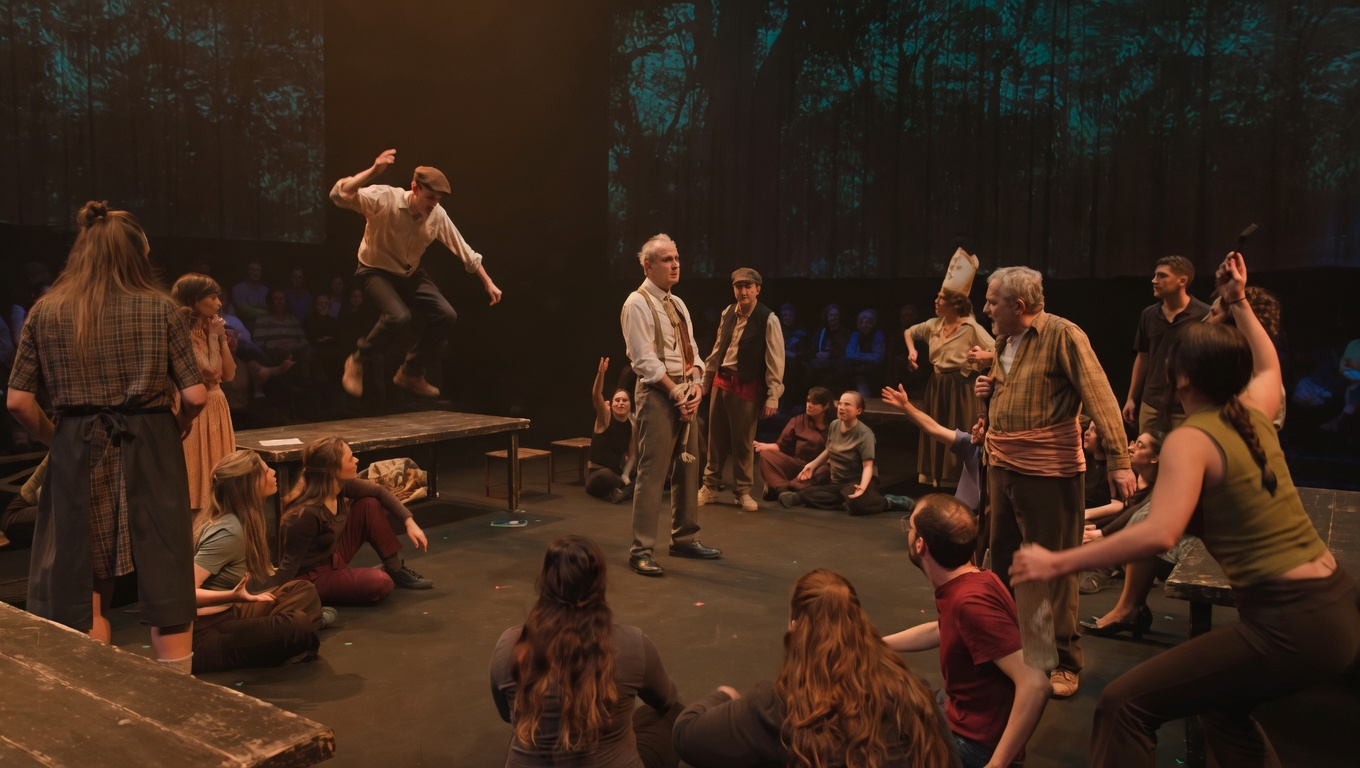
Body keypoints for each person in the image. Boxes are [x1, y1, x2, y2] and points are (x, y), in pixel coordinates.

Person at [1011, 252, 1360, 767]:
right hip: (1333, 602)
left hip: (1289, 622)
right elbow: (1269, 363)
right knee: (1220, 707)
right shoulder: (1254, 411)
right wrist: (1238, 300)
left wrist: (1058, 560)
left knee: (1124, 705)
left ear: (1179, 379)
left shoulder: (1190, 439)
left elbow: (1159, 533)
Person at [7, 200, 206, 673]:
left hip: (78, 447)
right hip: (151, 441)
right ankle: (176, 696)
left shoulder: (45, 312)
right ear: (137, 253)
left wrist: (57, 438)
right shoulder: (161, 308)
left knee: (86, 580)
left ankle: (100, 690)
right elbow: (195, 395)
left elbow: (17, 402)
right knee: (167, 570)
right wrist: (179, 424)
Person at [973, 266, 1134, 699]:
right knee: (1006, 561)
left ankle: (1062, 660)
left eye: (992, 302)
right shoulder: (1004, 341)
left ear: (1017, 305)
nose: (985, 309)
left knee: (1051, 566)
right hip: (1004, 465)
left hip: (1048, 471)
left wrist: (1119, 460)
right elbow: (1018, 394)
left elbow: (1100, 397)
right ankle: (1021, 652)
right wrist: (989, 397)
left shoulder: (1063, 336)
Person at [673, 569, 957, 768]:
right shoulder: (913, 692)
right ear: (860, 627)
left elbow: (685, 735)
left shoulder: (778, 706)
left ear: (795, 628)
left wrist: (723, 696)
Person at [884, 494, 1051, 768]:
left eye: (910, 527)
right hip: (960, 713)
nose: (908, 533)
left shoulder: (970, 603)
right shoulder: (977, 578)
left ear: (920, 545)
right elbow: (943, 629)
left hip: (972, 746)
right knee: (894, 691)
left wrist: (996, 765)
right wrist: (875, 642)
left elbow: (1036, 684)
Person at [490, 535, 682, 768]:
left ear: (546, 580)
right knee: (670, 714)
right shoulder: (631, 643)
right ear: (599, 583)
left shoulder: (510, 645)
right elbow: (667, 699)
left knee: (526, 727)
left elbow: (506, 713)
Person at [331, 148, 503, 399]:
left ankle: (410, 371)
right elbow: (340, 195)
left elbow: (463, 249)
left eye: (438, 200)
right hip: (375, 269)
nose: (434, 204)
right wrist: (374, 170)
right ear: (414, 189)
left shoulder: (437, 214)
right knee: (399, 316)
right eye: (430, 197)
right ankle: (358, 360)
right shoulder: (386, 199)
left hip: (408, 273)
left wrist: (488, 282)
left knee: (446, 315)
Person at [620, 234, 721, 577]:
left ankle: (684, 538)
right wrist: (676, 392)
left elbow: (692, 351)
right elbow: (643, 360)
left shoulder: (677, 303)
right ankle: (641, 549)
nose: (675, 264)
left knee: (688, 468)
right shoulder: (637, 303)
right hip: (657, 394)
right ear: (647, 266)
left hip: (683, 390)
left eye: (677, 258)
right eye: (666, 259)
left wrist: (696, 385)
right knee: (653, 472)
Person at [192, 451, 325, 674]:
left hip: (228, 613)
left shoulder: (240, 519)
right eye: (265, 470)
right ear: (251, 484)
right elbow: (184, 594)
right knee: (297, 625)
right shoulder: (228, 532)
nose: (272, 472)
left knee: (302, 590)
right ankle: (290, 631)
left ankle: (274, 634)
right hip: (204, 634)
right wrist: (232, 596)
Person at [276, 436, 433, 604]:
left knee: (369, 504)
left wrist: (409, 522)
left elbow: (378, 491)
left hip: (334, 556)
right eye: (350, 458)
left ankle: (395, 568)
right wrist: (281, 599)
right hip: (314, 578)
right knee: (381, 582)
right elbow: (289, 564)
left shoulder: (340, 486)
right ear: (333, 469)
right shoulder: (306, 513)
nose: (357, 460)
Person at [905, 250, 995, 489]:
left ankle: (960, 481)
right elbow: (909, 332)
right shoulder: (934, 325)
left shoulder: (971, 328)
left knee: (958, 428)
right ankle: (937, 478)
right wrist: (912, 351)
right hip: (938, 385)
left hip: (961, 387)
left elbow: (1000, 351)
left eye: (941, 298)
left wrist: (984, 355)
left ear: (956, 304)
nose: (936, 301)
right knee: (935, 427)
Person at [698, 267, 784, 513]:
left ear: (758, 289)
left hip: (746, 384)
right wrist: (705, 381)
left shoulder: (768, 318)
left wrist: (773, 395)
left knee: (743, 442)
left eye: (748, 286)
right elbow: (717, 348)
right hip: (721, 381)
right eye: (738, 286)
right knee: (716, 439)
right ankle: (710, 486)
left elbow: (775, 359)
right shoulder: (728, 312)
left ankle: (743, 491)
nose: (743, 291)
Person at [171, 273, 237, 511]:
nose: (219, 303)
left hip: (217, 404)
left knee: (218, 466)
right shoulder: (182, 333)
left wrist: (220, 338)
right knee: (196, 469)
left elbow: (228, 374)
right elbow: (209, 369)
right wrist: (214, 336)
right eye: (212, 297)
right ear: (194, 300)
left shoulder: (209, 330)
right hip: (195, 407)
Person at [1122, 256, 1210, 434]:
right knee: (1144, 450)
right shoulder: (1149, 314)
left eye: (1162, 276)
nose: (1154, 281)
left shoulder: (1205, 315)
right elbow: (1143, 357)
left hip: (1187, 406)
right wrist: (1131, 397)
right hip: (1152, 404)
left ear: (1182, 281)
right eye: (1155, 275)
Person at [778, 391, 890, 516]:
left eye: (847, 404)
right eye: (840, 403)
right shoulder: (834, 425)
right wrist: (812, 465)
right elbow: (830, 449)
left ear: (858, 410)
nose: (841, 407)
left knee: (855, 500)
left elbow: (868, 466)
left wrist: (862, 487)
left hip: (857, 481)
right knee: (813, 492)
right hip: (837, 483)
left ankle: (888, 502)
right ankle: (805, 498)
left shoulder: (865, 434)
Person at [754, 386, 833, 499]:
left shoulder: (834, 425)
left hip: (817, 468)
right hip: (797, 464)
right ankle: (783, 490)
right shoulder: (799, 420)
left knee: (825, 471)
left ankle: (783, 488)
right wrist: (764, 446)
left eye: (815, 403)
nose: (809, 405)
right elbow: (781, 445)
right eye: (808, 401)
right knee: (766, 455)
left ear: (826, 406)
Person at [587, 356, 636, 504]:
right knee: (606, 474)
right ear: (612, 403)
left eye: (624, 400)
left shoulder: (631, 426)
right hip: (597, 475)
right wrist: (601, 373)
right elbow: (596, 394)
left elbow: (632, 455)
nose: (620, 403)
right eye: (617, 400)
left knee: (643, 476)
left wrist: (625, 474)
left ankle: (621, 491)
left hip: (617, 475)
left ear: (630, 405)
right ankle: (627, 490)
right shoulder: (605, 417)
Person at [842, 308, 886, 397]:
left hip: (872, 368)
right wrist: (865, 357)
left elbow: (878, 358)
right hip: (855, 366)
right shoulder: (855, 335)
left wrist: (858, 355)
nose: (864, 325)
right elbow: (849, 354)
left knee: (864, 372)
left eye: (868, 322)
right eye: (861, 322)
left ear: (873, 323)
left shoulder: (878, 335)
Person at [230, 261, 268, 327]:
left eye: (258, 270)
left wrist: (252, 308)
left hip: (264, 324)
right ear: (247, 272)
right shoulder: (238, 288)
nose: (256, 273)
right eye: (253, 270)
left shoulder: (266, 290)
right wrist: (261, 310)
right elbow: (243, 311)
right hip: (243, 324)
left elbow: (269, 310)